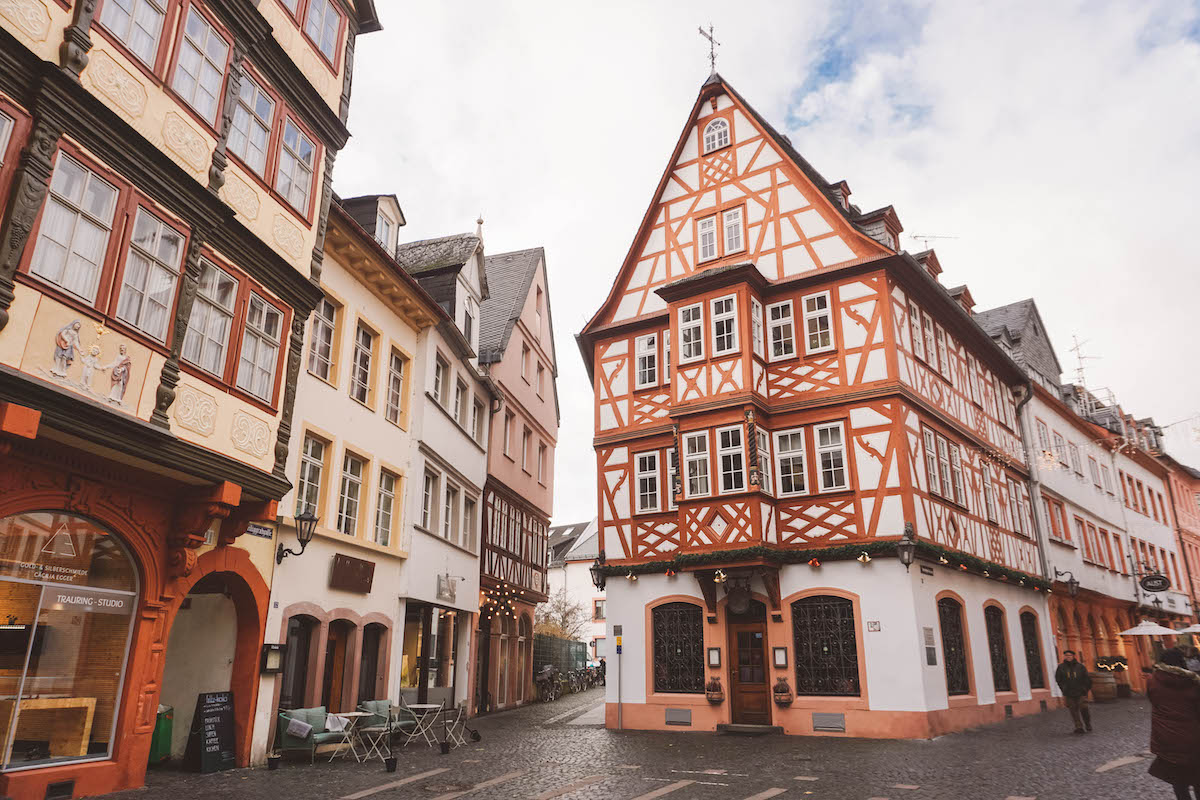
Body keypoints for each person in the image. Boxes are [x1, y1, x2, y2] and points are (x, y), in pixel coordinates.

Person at [1147, 648, 1200, 800]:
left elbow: (1154, 701)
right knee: (1198, 777)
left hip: (1166, 737)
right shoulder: (1193, 682)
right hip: (1193, 738)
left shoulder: (1152, 681)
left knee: (1178, 780)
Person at [1055, 650, 1093, 734]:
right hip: (1068, 692)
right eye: (1066, 655)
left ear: (1073, 656)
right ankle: (1078, 726)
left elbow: (1087, 678)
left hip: (1081, 691)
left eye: (1070, 655)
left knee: (1084, 708)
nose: (1068, 657)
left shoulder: (1080, 667)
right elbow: (1058, 679)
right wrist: (1063, 688)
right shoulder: (1061, 667)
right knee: (1073, 710)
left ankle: (1087, 723)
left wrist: (1085, 689)